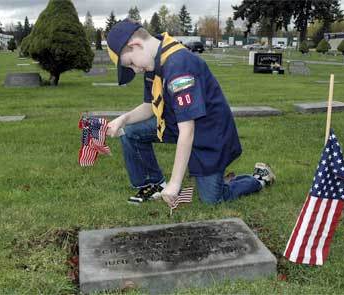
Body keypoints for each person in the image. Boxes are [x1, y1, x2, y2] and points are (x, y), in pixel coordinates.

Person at [105, 19, 275, 206]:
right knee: (130, 131)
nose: (135, 70)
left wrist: (175, 184)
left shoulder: (178, 65)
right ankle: (153, 183)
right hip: (175, 123)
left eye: (130, 63)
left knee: (212, 199)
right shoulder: (153, 60)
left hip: (209, 133)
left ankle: (259, 179)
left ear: (136, 45)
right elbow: (149, 106)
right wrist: (124, 119)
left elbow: (188, 130)